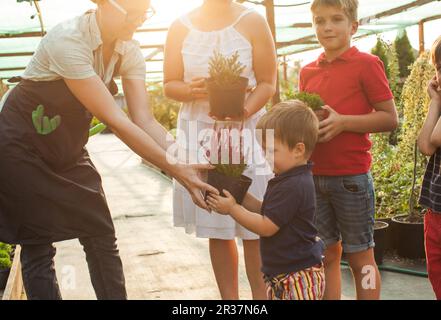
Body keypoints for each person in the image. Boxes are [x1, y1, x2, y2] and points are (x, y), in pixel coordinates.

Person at [0, 0, 217, 300]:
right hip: (21, 144)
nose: (139, 20)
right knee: (37, 241)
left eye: (145, 12)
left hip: (67, 146)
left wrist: (185, 159)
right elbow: (117, 120)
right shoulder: (68, 40)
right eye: (131, 11)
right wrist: (175, 170)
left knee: (100, 230)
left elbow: (144, 119)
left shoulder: (128, 50)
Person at [163, 0, 277, 299]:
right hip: (200, 132)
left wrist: (243, 112)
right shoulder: (179, 26)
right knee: (218, 224)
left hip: (247, 130)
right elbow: (169, 84)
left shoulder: (253, 20)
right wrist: (191, 90)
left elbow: (267, 82)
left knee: (254, 223)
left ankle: (261, 299)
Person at [299, 0, 398, 300]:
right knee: (326, 254)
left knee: (360, 257)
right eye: (319, 21)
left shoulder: (367, 65)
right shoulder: (307, 71)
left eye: (336, 19)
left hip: (351, 179)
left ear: (353, 26)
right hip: (314, 177)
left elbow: (389, 117)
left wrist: (343, 123)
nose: (326, 27)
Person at [207, 102, 326, 300]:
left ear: (298, 149)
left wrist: (233, 208)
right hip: (283, 273)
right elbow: (269, 212)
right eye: (264, 150)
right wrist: (243, 197)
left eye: (272, 151)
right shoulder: (288, 178)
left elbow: (266, 226)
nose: (266, 156)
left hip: (296, 276)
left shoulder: (293, 185)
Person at [417, 35, 441, 300]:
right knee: (437, 273)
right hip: (435, 209)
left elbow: (435, 139)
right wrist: (435, 102)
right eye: (439, 69)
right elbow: (425, 145)